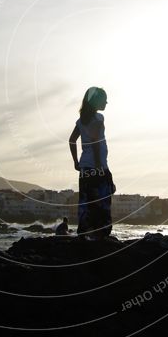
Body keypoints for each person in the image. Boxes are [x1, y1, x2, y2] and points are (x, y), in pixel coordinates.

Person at [68, 86, 115, 239]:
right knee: (103, 200)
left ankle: (84, 234)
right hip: (97, 167)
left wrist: (76, 162)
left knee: (86, 201)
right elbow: (95, 142)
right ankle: (101, 235)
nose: (106, 102)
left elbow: (72, 140)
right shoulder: (99, 119)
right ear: (96, 101)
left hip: (85, 168)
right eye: (104, 99)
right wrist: (102, 169)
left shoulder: (81, 121)